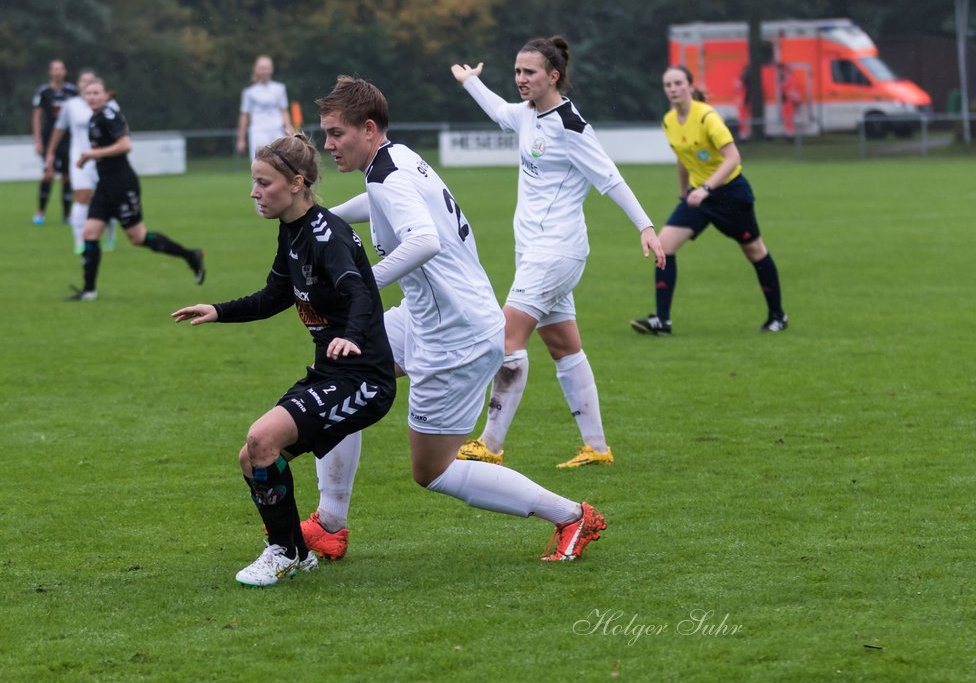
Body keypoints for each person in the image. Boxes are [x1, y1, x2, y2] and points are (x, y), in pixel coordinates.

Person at [301, 75, 606, 564]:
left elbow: (424, 240)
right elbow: (380, 204)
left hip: (456, 336)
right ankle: (330, 524)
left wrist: (361, 286)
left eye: (337, 134)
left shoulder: (390, 175)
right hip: (427, 318)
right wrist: (322, 222)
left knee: (433, 472)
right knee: (340, 378)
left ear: (370, 128)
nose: (328, 145)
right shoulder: (396, 158)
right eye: (326, 134)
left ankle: (573, 516)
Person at [172, 134, 396, 586]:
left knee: (261, 439)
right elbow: (275, 296)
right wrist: (218, 310)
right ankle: (295, 550)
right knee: (251, 457)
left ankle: (285, 553)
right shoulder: (292, 230)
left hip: (364, 380)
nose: (254, 192)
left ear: (296, 183)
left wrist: (351, 336)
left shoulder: (326, 234)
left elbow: (358, 290)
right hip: (332, 374)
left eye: (263, 182)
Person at [449, 37, 664, 471]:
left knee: (505, 339)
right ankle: (597, 447)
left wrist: (645, 226)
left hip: (557, 251)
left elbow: (610, 178)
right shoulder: (528, 115)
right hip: (536, 252)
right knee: (564, 346)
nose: (520, 79)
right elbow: (497, 110)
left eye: (529, 72)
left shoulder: (571, 124)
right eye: (516, 71)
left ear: (554, 75)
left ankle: (490, 442)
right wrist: (472, 82)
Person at [631, 65, 787, 336]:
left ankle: (777, 316)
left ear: (690, 86)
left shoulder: (706, 118)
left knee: (755, 252)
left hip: (731, 194)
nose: (673, 89)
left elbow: (733, 158)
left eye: (678, 83)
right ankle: (662, 322)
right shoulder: (669, 121)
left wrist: (706, 188)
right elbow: (682, 157)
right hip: (697, 197)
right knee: (664, 246)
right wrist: (684, 191)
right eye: (668, 85)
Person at [67, 78, 205, 301]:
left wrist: (92, 155)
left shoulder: (110, 115)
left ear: (105, 95)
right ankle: (89, 290)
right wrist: (88, 158)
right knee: (89, 234)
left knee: (138, 237)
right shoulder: (94, 119)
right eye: (88, 93)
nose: (92, 97)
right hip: (105, 186)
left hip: (123, 185)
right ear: (84, 97)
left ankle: (191, 255)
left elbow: (125, 145)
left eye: (96, 93)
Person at [44, 68, 114, 255]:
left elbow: (121, 134)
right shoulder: (71, 105)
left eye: (91, 81)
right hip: (80, 160)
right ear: (78, 85)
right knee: (82, 198)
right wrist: (49, 153)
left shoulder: (110, 106)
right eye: (84, 81)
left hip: (104, 161)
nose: (87, 85)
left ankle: (109, 235)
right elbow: (59, 129)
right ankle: (80, 241)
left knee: (106, 199)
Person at [31, 59, 77, 226]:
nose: (57, 72)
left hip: (68, 140)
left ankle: (67, 214)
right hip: (48, 139)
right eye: (54, 69)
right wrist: (37, 140)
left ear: (65, 71)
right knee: (48, 175)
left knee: (67, 177)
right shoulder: (43, 91)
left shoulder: (72, 91)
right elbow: (36, 115)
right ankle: (40, 212)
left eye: (60, 69)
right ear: (50, 72)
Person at [236, 56, 294, 159]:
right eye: (262, 68)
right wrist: (241, 139)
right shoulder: (249, 92)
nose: (265, 71)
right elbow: (244, 115)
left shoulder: (279, 88)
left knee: (280, 162)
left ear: (271, 69)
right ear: (256, 70)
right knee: (259, 162)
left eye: (267, 68)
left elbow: (283, 110)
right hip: (258, 132)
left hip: (277, 131)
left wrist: (288, 128)